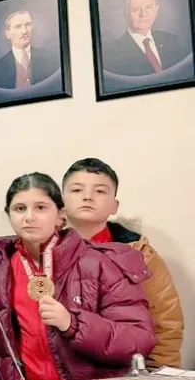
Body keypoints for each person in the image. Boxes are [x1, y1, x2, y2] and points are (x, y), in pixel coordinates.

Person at [0, 173, 155, 380]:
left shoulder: (99, 263)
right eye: (19, 208)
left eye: (41, 208)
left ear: (60, 215)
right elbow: (2, 345)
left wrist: (73, 323)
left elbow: (139, 340)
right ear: (8, 215)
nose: (29, 217)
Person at [62, 157, 183, 367]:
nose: (87, 197)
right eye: (77, 190)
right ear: (61, 203)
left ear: (114, 206)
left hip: (122, 376)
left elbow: (166, 326)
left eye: (100, 191)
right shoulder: (39, 252)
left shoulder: (142, 256)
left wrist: (157, 378)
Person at [103, 0, 188, 76]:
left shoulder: (171, 41)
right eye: (136, 9)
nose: (143, 14)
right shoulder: (114, 54)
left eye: (148, 7)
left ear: (156, 10)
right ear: (125, 13)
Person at [0, 10, 61, 90]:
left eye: (28, 25)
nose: (25, 31)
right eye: (18, 26)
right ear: (8, 34)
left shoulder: (50, 59)